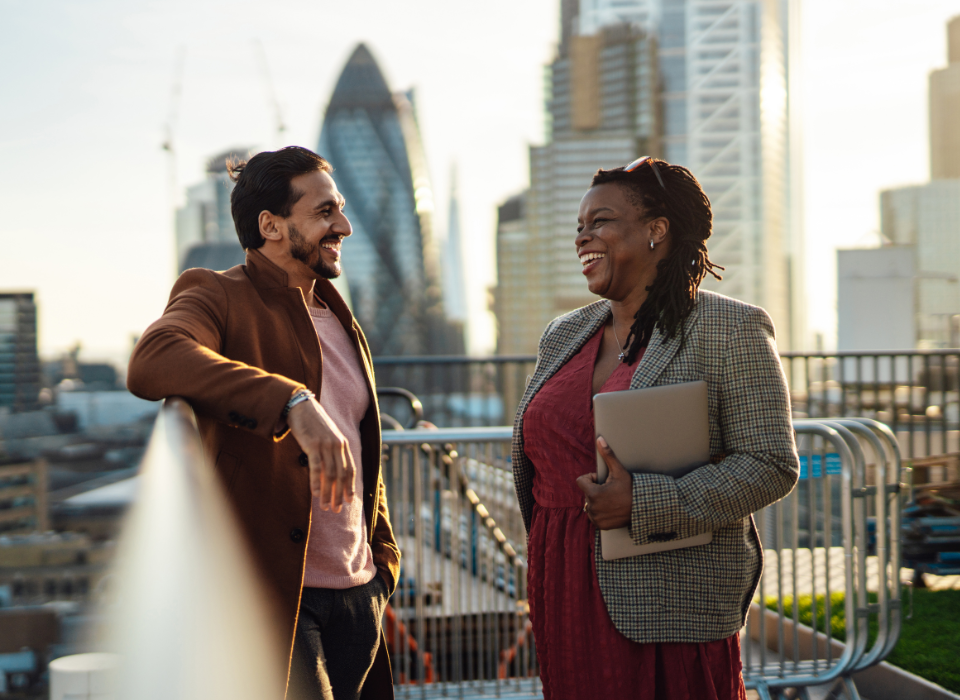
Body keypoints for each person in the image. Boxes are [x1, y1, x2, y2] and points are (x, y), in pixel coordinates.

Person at [511, 158, 799, 699]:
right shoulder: (563, 333)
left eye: (600, 222)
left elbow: (770, 464)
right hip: (563, 580)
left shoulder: (729, 327)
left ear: (656, 231)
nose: (583, 238)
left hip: (668, 591)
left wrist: (643, 502)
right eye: (579, 227)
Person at [127, 146, 400, 700]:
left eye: (341, 209)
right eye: (325, 212)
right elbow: (154, 357)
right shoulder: (217, 293)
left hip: (361, 591)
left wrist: (384, 562)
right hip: (277, 598)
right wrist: (291, 402)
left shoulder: (339, 314)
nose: (344, 226)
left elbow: (358, 439)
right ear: (270, 226)